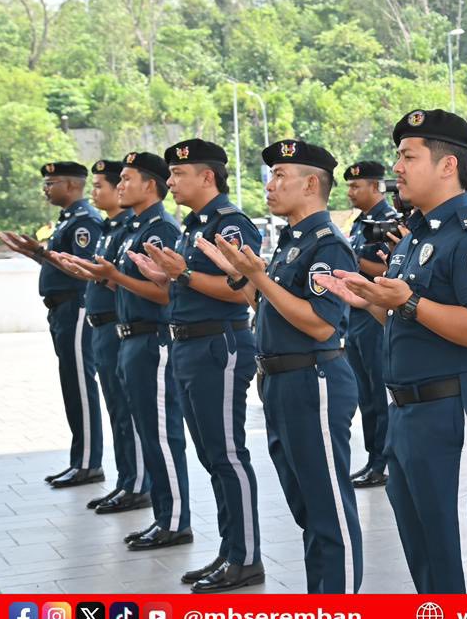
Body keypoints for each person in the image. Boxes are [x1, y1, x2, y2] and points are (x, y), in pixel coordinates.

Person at [316, 109, 467, 594]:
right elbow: (411, 319)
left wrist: (409, 300)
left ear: (448, 166)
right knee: (425, 556)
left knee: (457, 552)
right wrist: (372, 301)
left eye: (408, 156)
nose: (397, 167)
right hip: (408, 412)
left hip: (453, 412)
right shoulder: (415, 239)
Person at [203, 139, 362, 594]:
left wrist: (257, 278)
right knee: (307, 507)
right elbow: (274, 305)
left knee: (328, 509)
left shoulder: (328, 246)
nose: (269, 186)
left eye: (279, 177)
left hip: (313, 380)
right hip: (280, 382)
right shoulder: (293, 241)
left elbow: (318, 325)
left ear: (312, 184)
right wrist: (245, 276)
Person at [127, 139, 264, 591]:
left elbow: (242, 289)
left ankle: (246, 558)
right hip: (188, 346)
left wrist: (183, 273)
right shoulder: (195, 225)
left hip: (217, 347)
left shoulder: (231, 224)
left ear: (207, 176)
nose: (170, 183)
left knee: (227, 454)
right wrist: (167, 276)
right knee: (211, 455)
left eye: (178, 174)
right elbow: (188, 286)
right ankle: (229, 551)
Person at [66, 152, 192, 550]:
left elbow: (162, 293)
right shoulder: (137, 228)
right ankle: (161, 516)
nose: (120, 185)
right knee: (138, 427)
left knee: (160, 434)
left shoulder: (160, 230)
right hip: (128, 337)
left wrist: (113, 276)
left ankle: (174, 521)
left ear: (148, 185)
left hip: (150, 338)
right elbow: (121, 283)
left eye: (127, 179)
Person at [0, 162, 104, 488]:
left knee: (79, 384)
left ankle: (88, 463)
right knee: (70, 384)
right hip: (60, 309)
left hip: (75, 307)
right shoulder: (68, 220)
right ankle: (80, 459)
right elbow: (60, 263)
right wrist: (35, 253)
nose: (46, 189)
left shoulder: (85, 221)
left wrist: (43, 254)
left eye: (51, 183)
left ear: (72, 186)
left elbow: (84, 269)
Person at [58, 161, 150, 513]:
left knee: (132, 414)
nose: (96, 192)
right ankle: (127, 481)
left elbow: (135, 282)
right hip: (106, 326)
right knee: (118, 411)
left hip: (123, 325)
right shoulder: (114, 228)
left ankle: (138, 485)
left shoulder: (138, 228)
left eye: (105, 185)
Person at [342, 160, 399, 489]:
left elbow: (383, 268)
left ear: (376, 187)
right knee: (365, 394)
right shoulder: (360, 222)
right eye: (349, 186)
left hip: (375, 316)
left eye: (356, 186)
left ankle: (384, 460)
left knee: (379, 392)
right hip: (356, 317)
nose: (350, 192)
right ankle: (373, 458)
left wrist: (350, 260)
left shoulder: (388, 221)